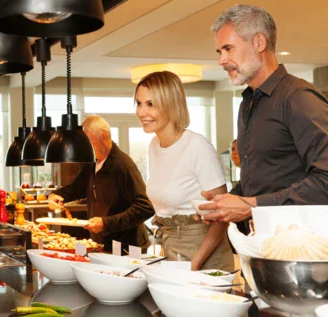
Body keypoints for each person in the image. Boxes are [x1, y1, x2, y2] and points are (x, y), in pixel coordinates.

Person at [200, 4, 328, 224]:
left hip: (301, 244)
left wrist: (252, 206)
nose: (221, 60)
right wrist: (229, 200)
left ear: (259, 42)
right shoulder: (248, 103)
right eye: (219, 52)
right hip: (261, 242)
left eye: (228, 49)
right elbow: (261, 183)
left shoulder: (298, 98)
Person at [134, 71, 234, 271]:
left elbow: (222, 216)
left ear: (170, 104)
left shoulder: (197, 146)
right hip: (172, 252)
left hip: (204, 256)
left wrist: (195, 263)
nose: (141, 112)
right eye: (139, 103)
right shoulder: (154, 145)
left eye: (150, 104)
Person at [48, 115, 155, 253]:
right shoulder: (92, 163)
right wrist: (57, 195)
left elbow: (145, 208)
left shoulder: (123, 166)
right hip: (103, 244)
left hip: (128, 247)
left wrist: (105, 223)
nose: (85, 148)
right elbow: (77, 188)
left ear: (103, 137)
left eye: (89, 143)